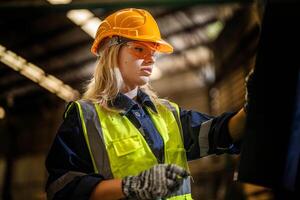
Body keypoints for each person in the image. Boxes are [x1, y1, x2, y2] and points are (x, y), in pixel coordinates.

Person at [45, 8, 247, 200]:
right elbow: (62, 189)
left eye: (153, 51)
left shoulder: (167, 114)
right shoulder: (85, 118)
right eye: (139, 49)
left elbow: (222, 132)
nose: (150, 58)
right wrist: (129, 186)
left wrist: (251, 109)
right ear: (111, 52)